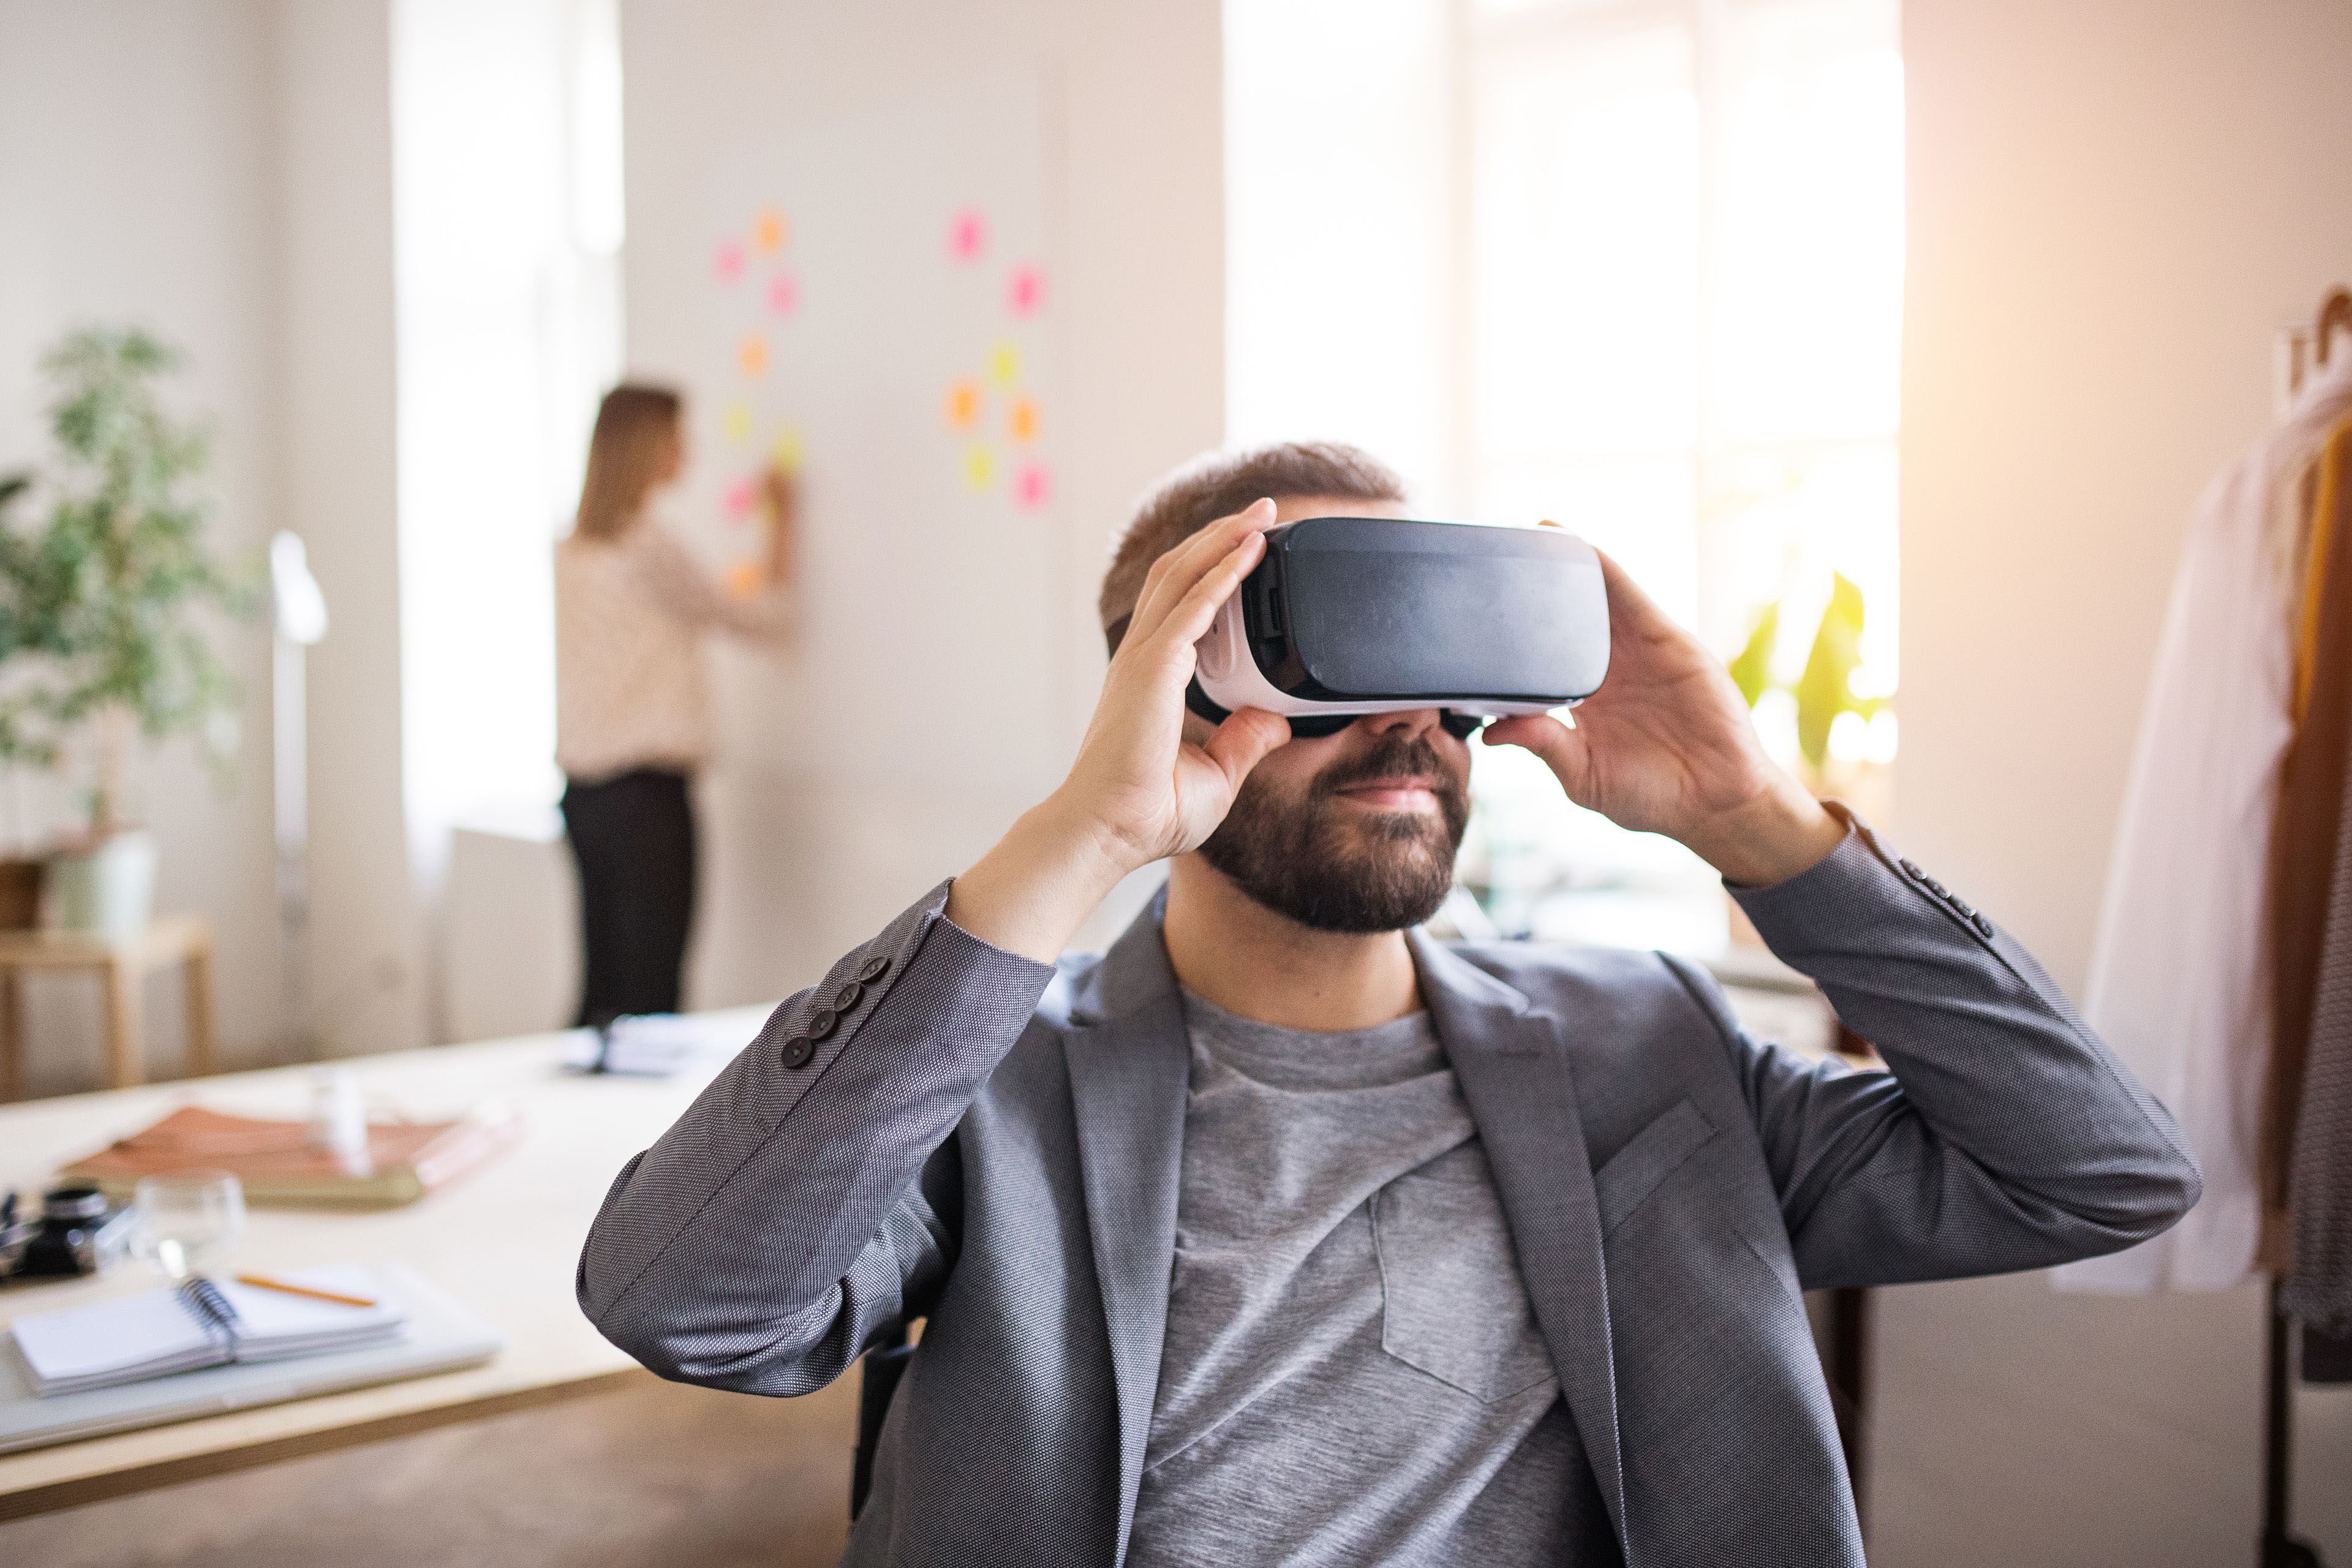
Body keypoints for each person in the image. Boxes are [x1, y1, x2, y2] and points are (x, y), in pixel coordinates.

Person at [576, 442, 2198, 1567]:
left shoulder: (1653, 1049)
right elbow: (688, 1304)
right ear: (1176, 680)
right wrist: (1080, 841)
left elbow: (2103, 1172)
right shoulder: (998, 1088)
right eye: (1327, 655)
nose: (1405, 723)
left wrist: (1748, 820)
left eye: (1437, 651)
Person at [555, 383, 794, 1027]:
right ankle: (632, 1132)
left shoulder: (573, 550)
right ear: (645, 446)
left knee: (603, 987)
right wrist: (782, 519)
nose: (686, 452)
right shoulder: (645, 548)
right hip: (644, 800)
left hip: (586, 797)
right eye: (676, 438)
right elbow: (757, 619)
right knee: (650, 995)